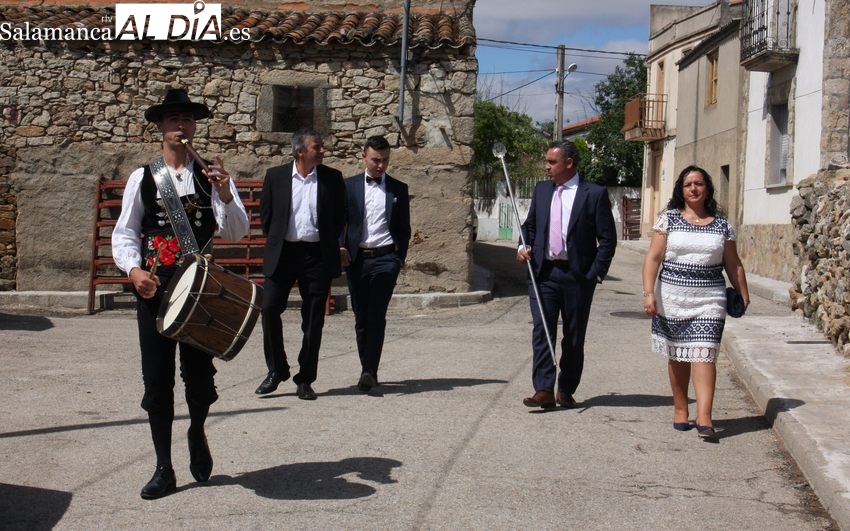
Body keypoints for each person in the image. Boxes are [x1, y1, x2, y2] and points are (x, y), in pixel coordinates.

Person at [112, 88, 250, 499]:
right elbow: (126, 233)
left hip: (201, 291)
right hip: (155, 290)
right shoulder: (144, 177)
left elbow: (236, 231)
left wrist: (225, 193)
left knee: (200, 381)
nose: (181, 126)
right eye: (173, 120)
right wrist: (134, 271)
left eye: (187, 120)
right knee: (157, 381)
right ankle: (163, 468)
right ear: (160, 128)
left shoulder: (212, 176)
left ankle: (197, 429)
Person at [641, 165, 749, 439]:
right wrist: (649, 292)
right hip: (673, 297)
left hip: (710, 298)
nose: (693, 188)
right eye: (688, 184)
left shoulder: (722, 225)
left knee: (705, 352)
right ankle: (680, 409)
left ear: (707, 188)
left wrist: (742, 292)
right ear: (681, 190)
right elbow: (653, 258)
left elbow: (733, 263)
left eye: (699, 183)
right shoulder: (669, 220)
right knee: (678, 354)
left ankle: (704, 415)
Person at [516, 140, 617, 409]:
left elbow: (607, 239)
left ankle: (566, 388)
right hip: (544, 274)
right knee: (542, 331)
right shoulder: (541, 191)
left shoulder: (593, 194)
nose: (546, 167)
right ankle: (543, 389)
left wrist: (594, 274)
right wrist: (523, 245)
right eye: (547, 161)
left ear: (568, 163)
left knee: (573, 336)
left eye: (551, 162)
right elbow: (530, 227)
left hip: (577, 277)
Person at [255, 128, 346, 400]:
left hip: (317, 256)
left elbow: (340, 217)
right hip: (283, 253)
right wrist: (280, 240)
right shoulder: (276, 177)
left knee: (313, 320)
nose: (322, 151)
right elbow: (267, 216)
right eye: (317, 147)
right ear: (300, 151)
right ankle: (277, 369)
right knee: (269, 309)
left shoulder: (332, 178)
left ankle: (305, 378)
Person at [340, 135, 411, 392]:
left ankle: (370, 370)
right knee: (361, 317)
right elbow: (341, 221)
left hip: (385, 259)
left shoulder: (398, 189)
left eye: (385, 161)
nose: (380, 166)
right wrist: (340, 246)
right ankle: (366, 368)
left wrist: (398, 258)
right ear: (364, 157)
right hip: (358, 259)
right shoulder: (349, 187)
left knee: (376, 315)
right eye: (376, 160)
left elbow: (404, 228)